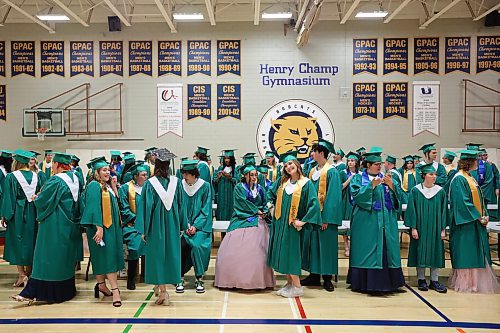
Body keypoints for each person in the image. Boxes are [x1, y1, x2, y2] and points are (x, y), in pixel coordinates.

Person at [11, 153, 82, 304]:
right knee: (64, 259)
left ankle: (33, 292)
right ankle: (65, 292)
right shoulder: (75, 179)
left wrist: (37, 198)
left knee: (45, 259)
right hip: (69, 226)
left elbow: (43, 201)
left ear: (56, 164)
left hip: (53, 226)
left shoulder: (56, 181)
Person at [347, 148, 405, 294]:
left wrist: (392, 185)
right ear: (367, 165)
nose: (379, 166)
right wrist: (371, 186)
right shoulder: (358, 178)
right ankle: (365, 283)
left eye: (380, 164)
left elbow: (400, 198)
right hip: (366, 222)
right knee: (367, 250)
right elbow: (355, 197)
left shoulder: (387, 178)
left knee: (387, 249)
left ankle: (390, 283)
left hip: (386, 222)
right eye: (375, 164)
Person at [266, 151, 321, 298]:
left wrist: (303, 221)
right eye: (285, 165)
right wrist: (271, 207)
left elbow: (314, 205)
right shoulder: (283, 182)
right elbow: (269, 194)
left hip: (294, 227)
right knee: (284, 253)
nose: (288, 167)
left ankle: (297, 286)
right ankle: (289, 283)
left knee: (292, 254)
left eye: (290, 163)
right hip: (280, 224)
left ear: (297, 164)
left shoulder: (306, 183)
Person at [215, 164, 275, 289]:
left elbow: (265, 203)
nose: (254, 177)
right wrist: (256, 211)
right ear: (245, 176)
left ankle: (257, 279)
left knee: (259, 242)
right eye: (251, 175)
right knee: (234, 242)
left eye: (255, 175)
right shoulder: (239, 188)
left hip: (259, 219)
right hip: (242, 217)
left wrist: (264, 212)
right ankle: (234, 278)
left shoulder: (260, 189)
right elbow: (241, 203)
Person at [448, 149, 499, 294]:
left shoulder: (470, 178)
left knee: (476, 253)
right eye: (476, 160)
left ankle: (475, 283)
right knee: (466, 253)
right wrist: (478, 216)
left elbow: (479, 200)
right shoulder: (459, 179)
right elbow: (462, 203)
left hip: (475, 222)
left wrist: (485, 214)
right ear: (469, 163)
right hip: (465, 224)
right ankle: (467, 283)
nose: (478, 162)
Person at [137, 148, 183, 305]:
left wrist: (143, 229)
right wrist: (182, 225)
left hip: (156, 225)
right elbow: (181, 205)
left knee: (157, 256)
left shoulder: (150, 184)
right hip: (173, 224)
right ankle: (160, 287)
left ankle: (164, 292)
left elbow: (146, 207)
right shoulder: (177, 182)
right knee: (170, 255)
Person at [80, 156, 124, 307]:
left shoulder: (106, 186)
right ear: (96, 172)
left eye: (108, 169)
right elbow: (93, 207)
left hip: (110, 228)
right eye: (104, 170)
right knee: (108, 258)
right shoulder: (93, 186)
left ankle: (101, 285)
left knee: (101, 257)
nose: (108, 172)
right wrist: (99, 228)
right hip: (102, 228)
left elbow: (116, 204)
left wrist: (114, 186)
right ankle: (116, 291)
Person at [301, 139, 343, 292]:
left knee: (325, 247)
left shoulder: (332, 172)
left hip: (325, 218)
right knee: (313, 246)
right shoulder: (312, 171)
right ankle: (314, 275)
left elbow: (333, 198)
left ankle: (327, 278)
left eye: (314, 151)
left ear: (321, 153)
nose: (311, 154)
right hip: (313, 217)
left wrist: (326, 218)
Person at [404, 163, 448, 293]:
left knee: (435, 252)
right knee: (420, 251)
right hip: (421, 228)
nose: (434, 177)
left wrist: (442, 229)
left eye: (435, 174)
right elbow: (412, 211)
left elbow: (443, 211)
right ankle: (421, 279)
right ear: (424, 176)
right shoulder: (416, 191)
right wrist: (413, 228)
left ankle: (434, 280)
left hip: (435, 228)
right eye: (431, 174)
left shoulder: (440, 192)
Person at [1, 150, 40, 288]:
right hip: (33, 213)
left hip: (17, 214)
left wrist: (5, 215)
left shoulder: (11, 177)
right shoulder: (37, 176)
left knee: (18, 242)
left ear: (16, 162)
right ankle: (29, 273)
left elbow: (9, 198)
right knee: (31, 240)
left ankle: (22, 275)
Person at [177, 159, 213, 294]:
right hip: (183, 227)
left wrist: (195, 226)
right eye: (183, 174)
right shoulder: (180, 186)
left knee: (198, 246)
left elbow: (206, 210)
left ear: (194, 174)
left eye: (187, 174)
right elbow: (178, 207)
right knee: (180, 245)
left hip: (200, 228)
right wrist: (185, 225)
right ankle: (179, 277)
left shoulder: (205, 186)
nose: (184, 177)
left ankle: (199, 278)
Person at [117, 163, 148, 290]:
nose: (146, 177)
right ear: (135, 176)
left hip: (147, 226)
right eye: (143, 175)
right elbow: (124, 209)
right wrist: (137, 220)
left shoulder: (149, 188)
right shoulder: (125, 189)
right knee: (135, 247)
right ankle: (131, 279)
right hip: (132, 226)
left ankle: (148, 275)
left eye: (147, 174)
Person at [340, 151, 362, 257]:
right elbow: (340, 187)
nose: (350, 162)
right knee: (345, 223)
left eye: (352, 161)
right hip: (346, 202)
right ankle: (346, 246)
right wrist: (349, 180)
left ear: (356, 162)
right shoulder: (342, 173)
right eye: (348, 160)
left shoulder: (361, 174)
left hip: (357, 203)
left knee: (356, 225)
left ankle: (355, 247)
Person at [469, 145, 497, 220]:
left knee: (482, 214)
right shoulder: (465, 166)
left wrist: (478, 191)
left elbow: (488, 181)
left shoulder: (487, 165)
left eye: (478, 154)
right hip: (468, 195)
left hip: (482, 194)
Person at [214, 150, 237, 222]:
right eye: (225, 158)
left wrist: (230, 177)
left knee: (230, 212)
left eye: (228, 158)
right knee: (221, 213)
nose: (226, 160)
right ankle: (222, 233)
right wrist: (218, 177)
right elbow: (215, 182)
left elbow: (238, 182)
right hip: (221, 196)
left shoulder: (235, 170)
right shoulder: (220, 169)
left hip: (231, 195)